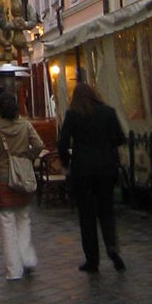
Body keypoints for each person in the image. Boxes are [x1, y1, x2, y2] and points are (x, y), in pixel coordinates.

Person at [57, 81, 126, 274]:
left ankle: (92, 260)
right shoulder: (108, 112)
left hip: (82, 170)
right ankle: (112, 247)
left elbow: (62, 143)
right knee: (106, 211)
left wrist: (66, 163)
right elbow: (120, 138)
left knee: (86, 216)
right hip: (106, 168)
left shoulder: (72, 114)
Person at [0, 93, 43, 281]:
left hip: (3, 177)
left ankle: (14, 270)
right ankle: (27, 259)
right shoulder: (25, 124)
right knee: (23, 218)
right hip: (23, 176)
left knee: (7, 222)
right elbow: (39, 144)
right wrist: (28, 158)